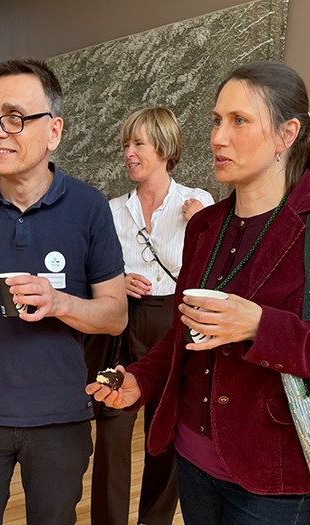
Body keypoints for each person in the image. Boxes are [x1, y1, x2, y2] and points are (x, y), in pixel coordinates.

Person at [87, 61, 310, 525]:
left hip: (272, 475)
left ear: (286, 133)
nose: (218, 137)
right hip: (192, 459)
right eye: (216, 120)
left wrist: (260, 326)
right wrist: (141, 379)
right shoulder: (205, 227)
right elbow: (182, 335)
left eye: (239, 121)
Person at [0, 57, 128, 525]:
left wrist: (58, 303)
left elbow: (115, 314)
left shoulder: (89, 207)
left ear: (53, 131)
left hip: (60, 416)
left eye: (15, 118)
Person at [86, 106, 213, 525]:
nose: (129, 153)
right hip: (120, 325)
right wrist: (117, 281)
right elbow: (92, 271)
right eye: (126, 144)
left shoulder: (199, 204)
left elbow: (213, 275)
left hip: (174, 325)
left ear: (164, 146)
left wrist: (202, 227)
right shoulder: (109, 209)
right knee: (112, 431)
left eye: (138, 143)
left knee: (164, 437)